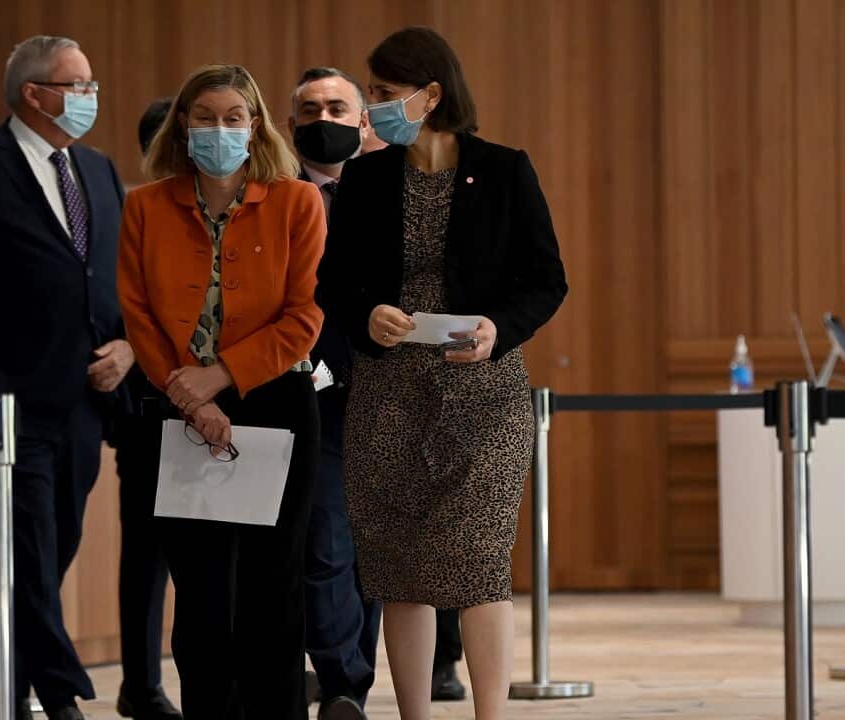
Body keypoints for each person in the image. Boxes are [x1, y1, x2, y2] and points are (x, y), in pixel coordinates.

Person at [318, 27, 568, 720]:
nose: (373, 108)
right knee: (400, 569)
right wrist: (366, 313)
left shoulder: (505, 169)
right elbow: (333, 283)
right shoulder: (366, 178)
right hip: (389, 393)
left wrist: (499, 327)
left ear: (431, 94)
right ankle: (415, 716)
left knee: (479, 563)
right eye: (369, 94)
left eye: (384, 94)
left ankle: (490, 714)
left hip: (483, 395)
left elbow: (546, 280)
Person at [0, 35, 133, 720]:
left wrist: (127, 347)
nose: (88, 96)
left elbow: (119, 281)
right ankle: (61, 689)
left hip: (88, 397)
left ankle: (2, 684)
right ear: (33, 94)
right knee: (29, 545)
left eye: (91, 82)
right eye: (75, 84)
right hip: (5, 396)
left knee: (55, 544)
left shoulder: (99, 170)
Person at [118, 64, 326, 720]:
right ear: (183, 124)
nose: (219, 129)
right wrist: (194, 397)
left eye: (234, 117)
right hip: (179, 410)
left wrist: (223, 374)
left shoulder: (297, 201)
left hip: (276, 403)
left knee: (274, 589)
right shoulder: (144, 206)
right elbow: (137, 314)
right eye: (205, 116)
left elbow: (305, 315)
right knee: (202, 596)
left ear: (255, 125)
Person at [286, 67, 381, 720]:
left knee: (373, 556)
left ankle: (356, 680)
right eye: (312, 109)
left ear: (363, 121)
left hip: (385, 399)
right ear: (291, 128)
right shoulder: (271, 199)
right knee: (325, 546)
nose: (326, 118)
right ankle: (341, 680)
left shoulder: (393, 200)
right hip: (307, 400)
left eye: (338, 106)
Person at [109, 96, 183, 720]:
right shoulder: (132, 207)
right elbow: (116, 299)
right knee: (148, 555)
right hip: (146, 409)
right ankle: (141, 681)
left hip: (219, 403)